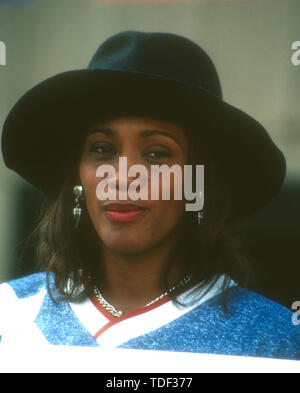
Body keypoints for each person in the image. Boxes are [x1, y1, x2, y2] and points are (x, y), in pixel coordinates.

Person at [0, 31, 299, 359]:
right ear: (77, 177)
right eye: (102, 149)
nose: (124, 175)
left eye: (156, 154)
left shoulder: (272, 340)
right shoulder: (10, 315)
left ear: (197, 182)